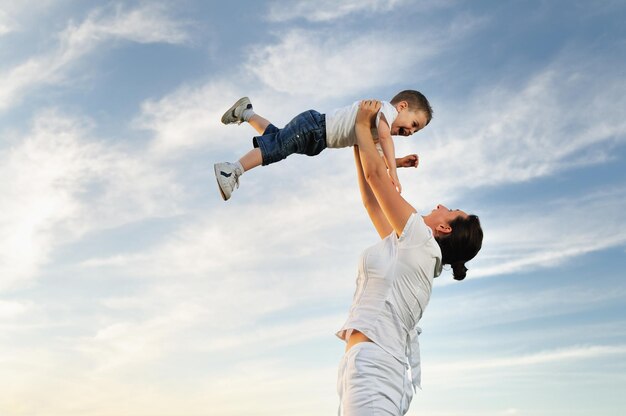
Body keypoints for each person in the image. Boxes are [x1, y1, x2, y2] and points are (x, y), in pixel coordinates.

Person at [336, 100, 483, 415]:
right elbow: (370, 202)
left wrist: (363, 126)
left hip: (374, 368)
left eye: (450, 210)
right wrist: (358, 143)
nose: (441, 205)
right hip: (367, 366)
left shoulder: (419, 238)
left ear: (444, 227)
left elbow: (378, 179)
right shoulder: (412, 249)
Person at [213, 90, 432, 200]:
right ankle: (231, 170)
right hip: (314, 127)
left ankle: (245, 111)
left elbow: (377, 158)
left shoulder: (373, 131)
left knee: (276, 139)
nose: (410, 132)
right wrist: (394, 172)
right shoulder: (383, 110)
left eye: (415, 131)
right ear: (402, 107)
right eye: (414, 124)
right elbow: (386, 139)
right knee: (277, 148)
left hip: (316, 139)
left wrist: (397, 163)